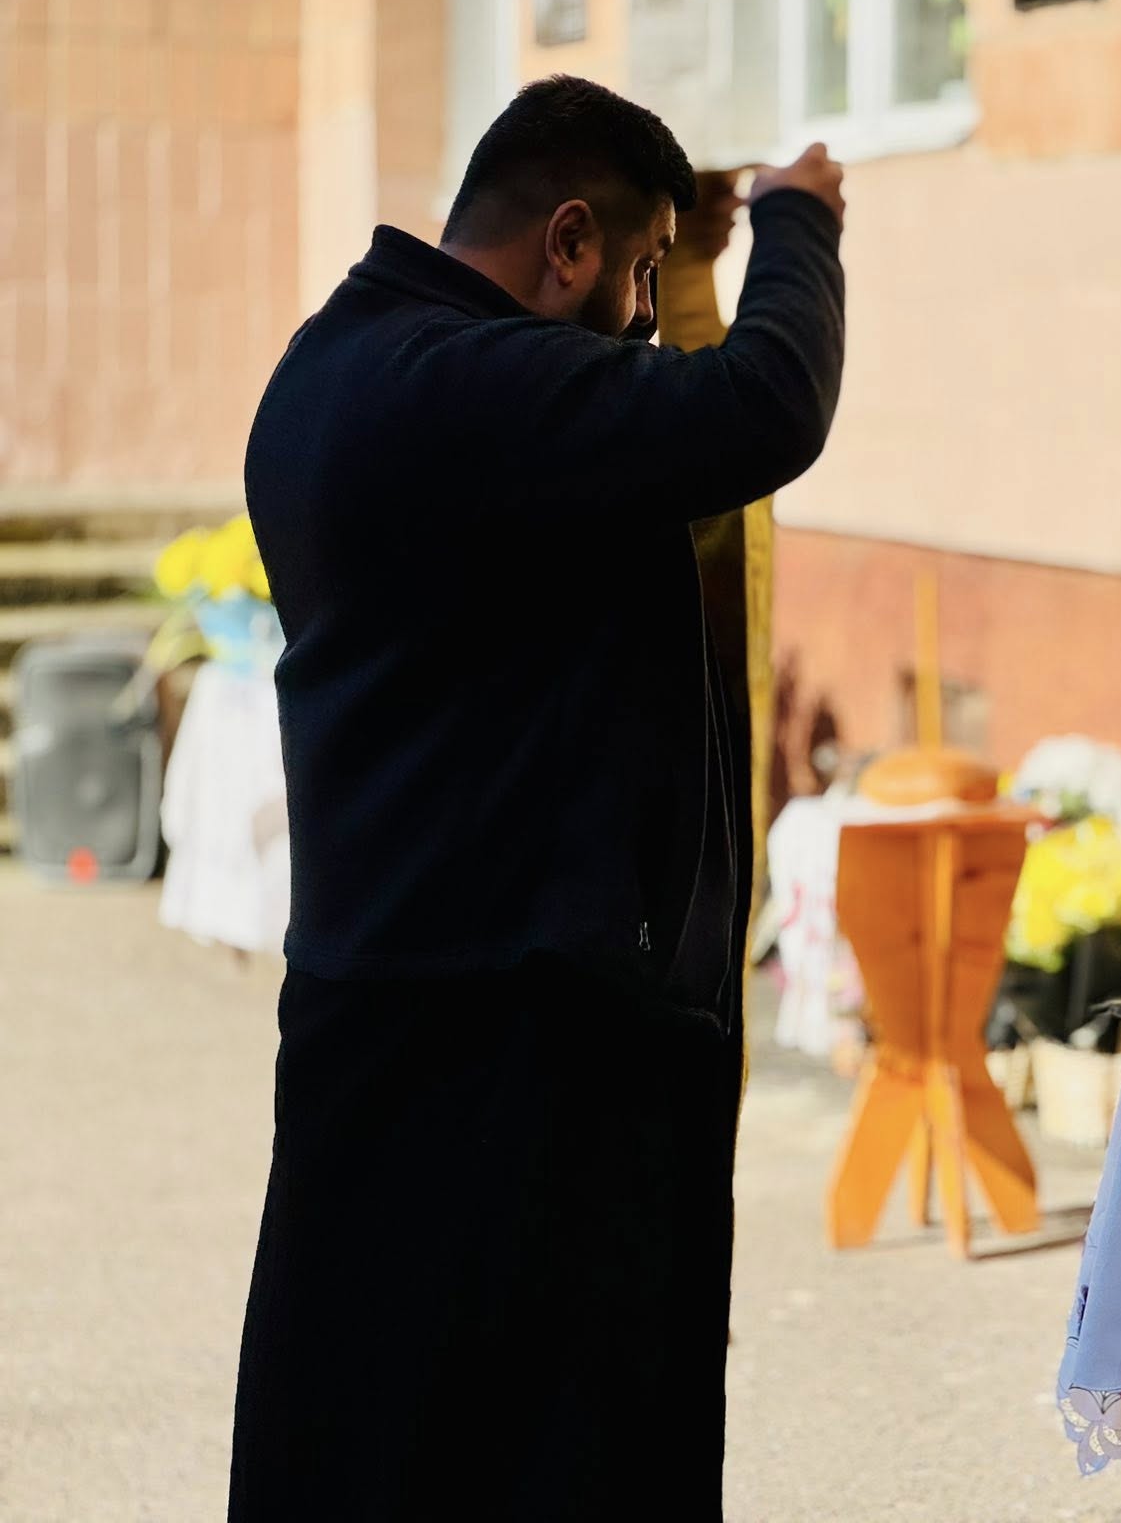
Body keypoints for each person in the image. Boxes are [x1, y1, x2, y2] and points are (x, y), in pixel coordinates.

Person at [228, 76, 845, 1521]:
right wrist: (798, 228)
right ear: (565, 240)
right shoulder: (461, 386)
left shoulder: (342, 364)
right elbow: (759, 405)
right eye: (636, 276)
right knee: (532, 1458)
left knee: (389, 1441)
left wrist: (681, 254)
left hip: (401, 1010)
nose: (641, 320)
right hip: (502, 1055)